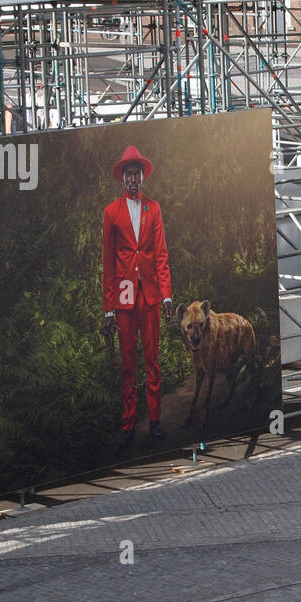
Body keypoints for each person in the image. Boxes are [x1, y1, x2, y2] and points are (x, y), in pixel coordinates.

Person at [103, 146, 174, 450]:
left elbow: (160, 254)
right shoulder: (111, 212)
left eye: (137, 173)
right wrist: (108, 308)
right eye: (128, 174)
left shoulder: (154, 209)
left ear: (143, 176)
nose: (133, 178)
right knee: (128, 362)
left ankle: (155, 420)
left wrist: (168, 294)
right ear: (123, 178)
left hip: (150, 294)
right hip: (123, 295)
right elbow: (108, 262)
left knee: (152, 359)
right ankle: (129, 423)